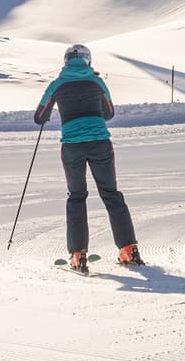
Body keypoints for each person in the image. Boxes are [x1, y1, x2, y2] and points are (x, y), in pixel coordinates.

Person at [34, 44, 140, 275]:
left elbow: (39, 117)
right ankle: (128, 250)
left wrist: (57, 106)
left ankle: (77, 256)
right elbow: (109, 113)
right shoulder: (97, 82)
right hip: (100, 142)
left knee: (77, 196)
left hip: (72, 146)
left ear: (65, 61)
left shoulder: (57, 84)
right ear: (88, 61)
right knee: (111, 194)